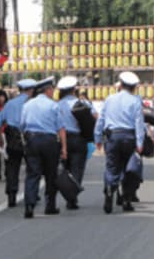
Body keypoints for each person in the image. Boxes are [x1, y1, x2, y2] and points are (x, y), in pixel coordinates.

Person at [95, 72, 145, 214]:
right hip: (129, 138)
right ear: (134, 87)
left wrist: (97, 137)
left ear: (121, 85)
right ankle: (126, 200)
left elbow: (101, 120)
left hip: (112, 137)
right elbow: (139, 123)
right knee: (129, 170)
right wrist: (140, 142)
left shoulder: (109, 99)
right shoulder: (136, 101)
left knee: (112, 167)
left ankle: (110, 190)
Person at [21, 77, 67, 219]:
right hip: (49, 141)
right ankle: (50, 206)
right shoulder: (53, 105)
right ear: (47, 90)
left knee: (32, 173)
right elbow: (61, 128)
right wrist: (64, 148)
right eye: (52, 89)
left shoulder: (27, 105)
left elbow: (22, 126)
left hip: (32, 140)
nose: (53, 92)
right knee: (50, 174)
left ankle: (29, 204)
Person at [0, 79, 36, 207]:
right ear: (30, 90)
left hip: (12, 138)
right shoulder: (32, 103)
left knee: (12, 167)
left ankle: (12, 196)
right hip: (28, 137)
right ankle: (32, 195)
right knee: (32, 167)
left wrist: (0, 139)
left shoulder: (10, 104)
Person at [57, 76, 91, 210]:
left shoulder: (57, 105)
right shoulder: (81, 103)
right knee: (77, 169)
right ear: (74, 89)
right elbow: (93, 117)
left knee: (64, 170)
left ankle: (68, 194)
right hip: (78, 138)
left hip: (62, 140)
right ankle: (72, 198)